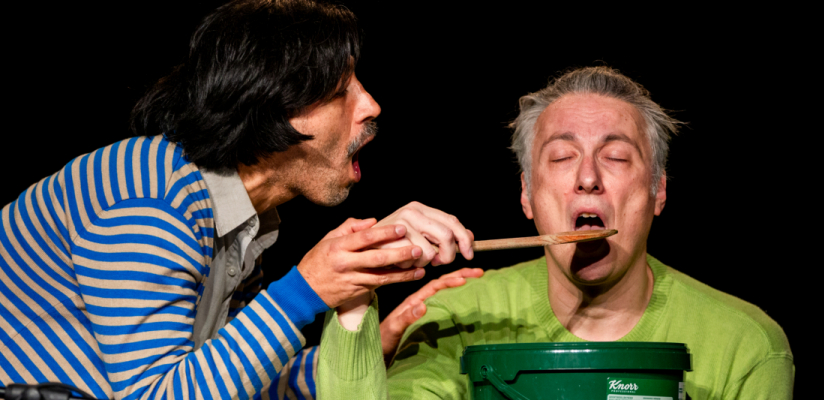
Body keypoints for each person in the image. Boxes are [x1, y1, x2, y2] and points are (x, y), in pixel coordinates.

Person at [0, 1, 478, 399]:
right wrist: (306, 288)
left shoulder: (243, 221)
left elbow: (238, 383)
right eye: (339, 92)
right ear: (270, 105)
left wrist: (381, 336)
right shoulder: (147, 196)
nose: (371, 105)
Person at [317, 66, 795, 400]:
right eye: (563, 157)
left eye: (617, 157)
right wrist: (355, 304)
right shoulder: (455, 321)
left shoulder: (745, 345)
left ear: (658, 192)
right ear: (526, 195)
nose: (588, 177)